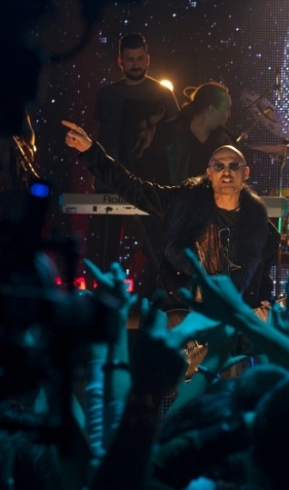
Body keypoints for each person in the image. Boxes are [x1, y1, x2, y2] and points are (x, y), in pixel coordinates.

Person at [62, 120, 280, 311]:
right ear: (208, 172)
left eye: (234, 166)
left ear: (246, 173)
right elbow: (132, 187)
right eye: (219, 166)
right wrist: (91, 151)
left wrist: (263, 305)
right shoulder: (182, 203)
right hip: (181, 314)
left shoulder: (265, 232)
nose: (226, 172)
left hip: (231, 326)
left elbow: (262, 282)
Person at [89, 32, 179, 296]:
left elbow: (175, 139)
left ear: (148, 58)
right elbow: (97, 135)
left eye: (140, 58)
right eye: (130, 59)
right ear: (120, 61)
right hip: (110, 179)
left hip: (150, 181)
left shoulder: (163, 93)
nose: (136, 64)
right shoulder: (107, 94)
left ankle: (158, 298)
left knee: (156, 244)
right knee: (106, 247)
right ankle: (105, 301)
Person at [152, 82, 238, 186]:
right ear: (211, 110)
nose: (228, 114)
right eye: (226, 109)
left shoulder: (226, 142)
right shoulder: (169, 134)